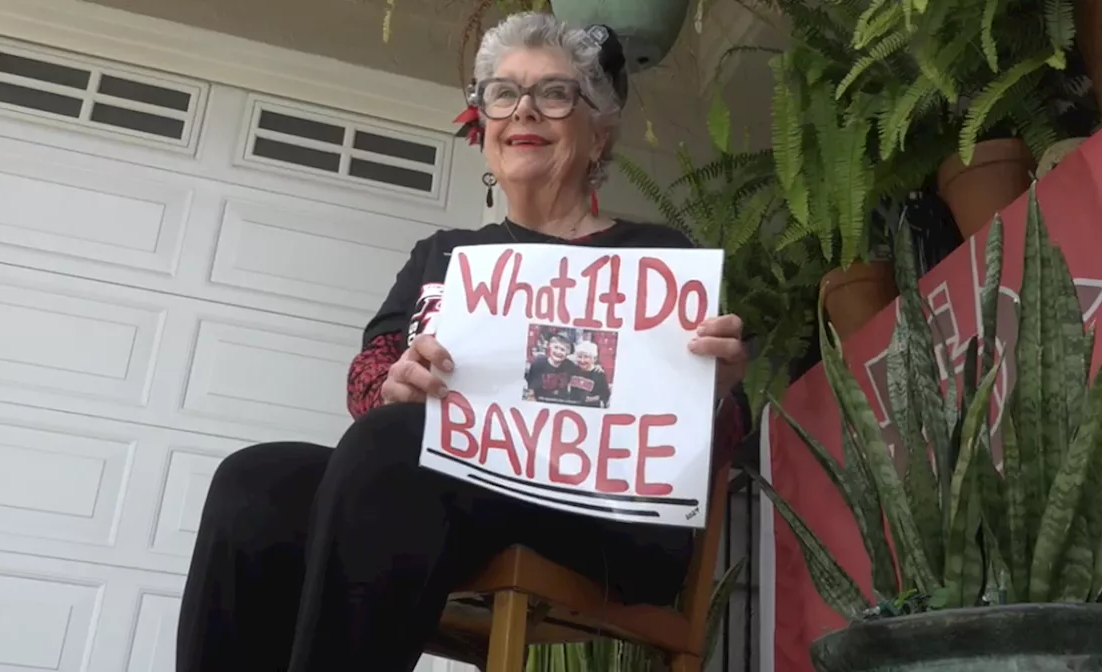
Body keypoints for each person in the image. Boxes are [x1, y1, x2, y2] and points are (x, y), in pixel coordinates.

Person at [175, 12, 748, 672]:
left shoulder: (656, 259)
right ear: (485, 128)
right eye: (503, 93)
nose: (523, 110)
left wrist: (715, 390)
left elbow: (713, 435)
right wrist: (394, 385)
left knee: (397, 446)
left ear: (601, 131)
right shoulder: (444, 256)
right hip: (443, 490)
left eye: (555, 93)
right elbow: (372, 375)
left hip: (600, 519)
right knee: (258, 481)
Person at [524, 332, 577, 402]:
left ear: (567, 353)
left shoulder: (570, 365)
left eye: (562, 350)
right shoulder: (539, 363)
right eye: (556, 347)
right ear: (550, 348)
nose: (558, 352)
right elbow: (530, 386)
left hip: (561, 402)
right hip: (540, 401)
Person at [567, 339, 611, 407]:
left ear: (594, 359)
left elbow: (606, 394)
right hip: (573, 406)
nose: (582, 360)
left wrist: (592, 399)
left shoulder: (599, 374)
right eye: (579, 356)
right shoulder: (573, 369)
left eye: (586, 357)